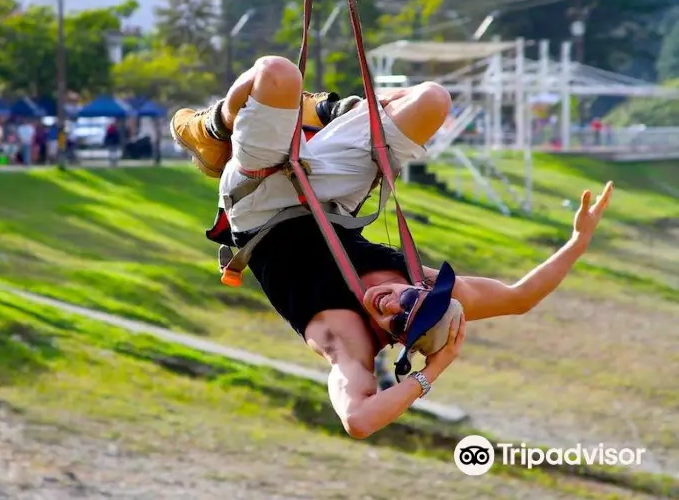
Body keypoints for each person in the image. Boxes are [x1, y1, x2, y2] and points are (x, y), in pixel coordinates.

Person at [170, 56, 614, 438]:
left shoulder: (347, 341)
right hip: (327, 197)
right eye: (411, 300)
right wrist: (578, 241)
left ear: (396, 338)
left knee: (277, 72)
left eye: (397, 320)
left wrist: (431, 373)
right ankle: (325, 113)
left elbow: (359, 421)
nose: (393, 303)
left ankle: (210, 131)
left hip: (260, 203)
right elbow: (520, 298)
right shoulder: (422, 285)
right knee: (432, 100)